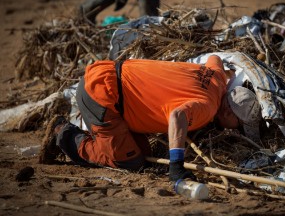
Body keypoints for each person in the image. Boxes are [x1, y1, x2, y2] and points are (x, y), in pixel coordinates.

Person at [39, 55, 261, 182]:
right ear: (227, 112)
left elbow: (215, 59)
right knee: (129, 161)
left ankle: (97, 136)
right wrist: (176, 165)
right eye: (240, 126)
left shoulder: (217, 78)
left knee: (143, 155)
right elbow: (178, 116)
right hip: (101, 94)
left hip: (107, 73)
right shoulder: (208, 107)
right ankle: (65, 135)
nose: (236, 131)